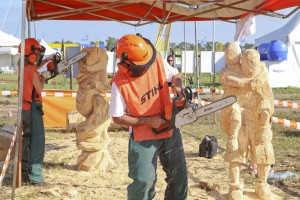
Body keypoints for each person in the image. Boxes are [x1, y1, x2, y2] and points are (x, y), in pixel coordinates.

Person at [108, 33, 188, 200]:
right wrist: (148, 121)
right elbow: (117, 117)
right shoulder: (119, 82)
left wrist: (178, 87)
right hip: (142, 135)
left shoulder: (155, 58)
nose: (146, 68)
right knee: (144, 181)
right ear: (126, 65)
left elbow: (175, 74)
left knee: (179, 176)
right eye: (141, 66)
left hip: (169, 127)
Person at [18, 38, 55, 185]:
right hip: (33, 108)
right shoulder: (31, 70)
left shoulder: (21, 65)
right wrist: (44, 77)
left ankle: (24, 173)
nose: (38, 57)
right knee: (37, 142)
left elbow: (35, 65)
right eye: (37, 54)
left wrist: (47, 60)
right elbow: (39, 89)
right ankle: (36, 176)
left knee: (26, 140)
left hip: (23, 108)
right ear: (32, 55)